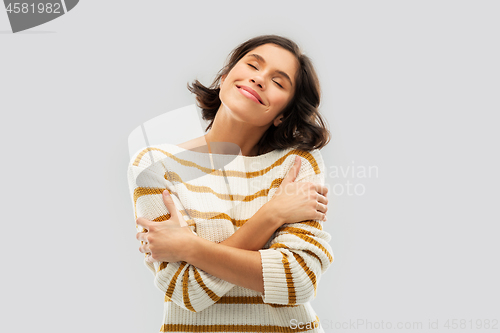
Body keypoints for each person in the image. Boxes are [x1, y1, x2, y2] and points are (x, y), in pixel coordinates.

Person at [127, 34, 334, 333]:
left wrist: (190, 248)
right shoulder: (154, 164)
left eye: (279, 82)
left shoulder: (297, 164)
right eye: (253, 65)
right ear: (224, 78)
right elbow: (188, 291)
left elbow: (298, 280)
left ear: (282, 115)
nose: (260, 79)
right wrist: (272, 214)